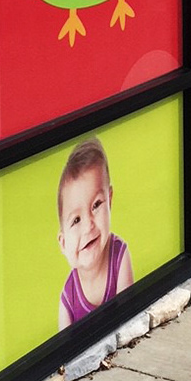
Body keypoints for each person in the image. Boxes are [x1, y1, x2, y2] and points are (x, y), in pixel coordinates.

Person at [56, 137, 133, 329]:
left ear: (110, 200)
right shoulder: (68, 299)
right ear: (63, 243)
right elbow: (65, 346)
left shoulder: (119, 256)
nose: (88, 225)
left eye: (96, 205)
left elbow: (128, 320)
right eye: (76, 220)